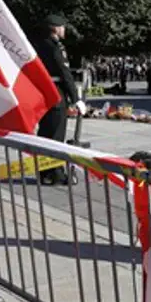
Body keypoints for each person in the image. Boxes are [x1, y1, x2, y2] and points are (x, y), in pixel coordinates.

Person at [32, 14, 86, 185]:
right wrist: (76, 98)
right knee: (56, 136)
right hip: (56, 95)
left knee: (45, 134)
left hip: (43, 94)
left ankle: (44, 173)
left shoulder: (39, 45)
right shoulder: (55, 47)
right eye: (62, 27)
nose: (64, 30)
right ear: (55, 28)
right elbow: (65, 73)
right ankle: (56, 173)